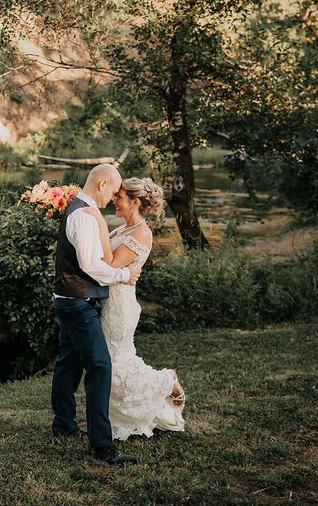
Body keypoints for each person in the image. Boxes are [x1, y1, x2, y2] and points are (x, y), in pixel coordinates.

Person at [83, 177, 186, 439]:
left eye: (119, 197)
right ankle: (115, 417)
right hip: (109, 302)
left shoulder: (142, 233)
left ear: (135, 202)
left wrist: (98, 221)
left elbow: (110, 262)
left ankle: (166, 382)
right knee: (111, 362)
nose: (114, 201)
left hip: (120, 306)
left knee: (114, 364)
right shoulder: (124, 228)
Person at [50, 164, 139, 464]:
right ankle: (102, 447)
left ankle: (63, 425)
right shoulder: (85, 216)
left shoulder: (80, 208)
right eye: (112, 191)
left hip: (69, 299)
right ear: (102, 184)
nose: (112, 198)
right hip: (78, 302)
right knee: (100, 367)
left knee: (68, 364)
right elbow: (90, 265)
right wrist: (123, 275)